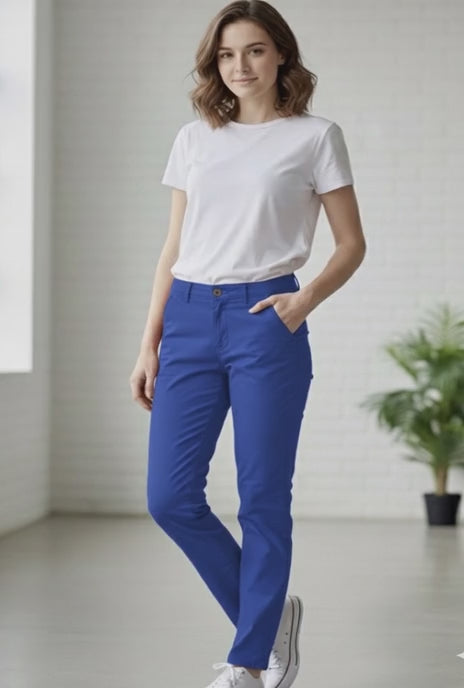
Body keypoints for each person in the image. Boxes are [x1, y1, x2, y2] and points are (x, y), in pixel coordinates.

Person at [129, 1, 366, 687]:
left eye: (255, 50)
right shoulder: (194, 137)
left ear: (281, 54)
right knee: (170, 498)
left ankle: (249, 664)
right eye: (227, 55)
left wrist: (303, 300)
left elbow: (352, 244)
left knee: (262, 496)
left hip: (267, 315)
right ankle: (270, 619)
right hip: (189, 316)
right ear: (215, 63)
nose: (240, 66)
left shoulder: (316, 137)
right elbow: (173, 247)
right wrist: (149, 342)